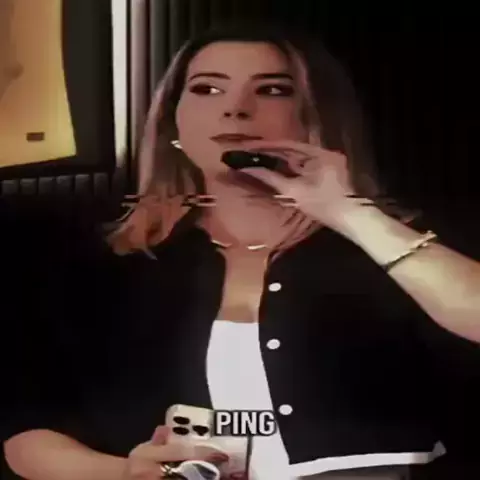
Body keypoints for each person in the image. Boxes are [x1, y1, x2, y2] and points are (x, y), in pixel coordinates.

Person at [3, 24, 480, 480]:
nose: (235, 109)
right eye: (207, 89)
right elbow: (29, 432)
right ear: (173, 120)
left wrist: (350, 213)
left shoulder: (398, 246)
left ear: (317, 116)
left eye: (272, 90)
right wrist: (124, 472)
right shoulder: (105, 262)